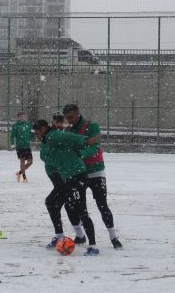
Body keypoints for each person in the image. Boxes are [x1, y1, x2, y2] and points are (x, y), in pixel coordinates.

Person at [34, 119, 101, 256]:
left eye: (36, 132)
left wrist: (85, 140)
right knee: (57, 203)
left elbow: (67, 137)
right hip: (68, 177)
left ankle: (93, 246)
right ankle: (64, 235)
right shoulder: (47, 140)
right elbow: (50, 155)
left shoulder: (53, 136)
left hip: (77, 176)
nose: (35, 135)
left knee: (81, 210)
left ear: (42, 129)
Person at [64, 103, 123, 249]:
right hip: (78, 173)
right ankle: (80, 235)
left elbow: (95, 147)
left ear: (78, 112)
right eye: (67, 118)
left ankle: (113, 236)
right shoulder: (68, 130)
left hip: (96, 171)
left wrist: (79, 154)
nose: (69, 120)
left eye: (71, 117)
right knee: (75, 206)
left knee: (102, 205)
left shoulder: (92, 126)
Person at [10, 112, 33, 182]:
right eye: (20, 116)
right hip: (20, 146)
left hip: (27, 146)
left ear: (24, 117)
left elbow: (32, 132)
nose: (21, 118)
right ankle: (24, 177)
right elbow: (12, 136)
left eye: (22, 116)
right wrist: (12, 144)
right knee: (22, 162)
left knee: (30, 162)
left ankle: (19, 173)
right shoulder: (15, 126)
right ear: (18, 117)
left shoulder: (28, 125)